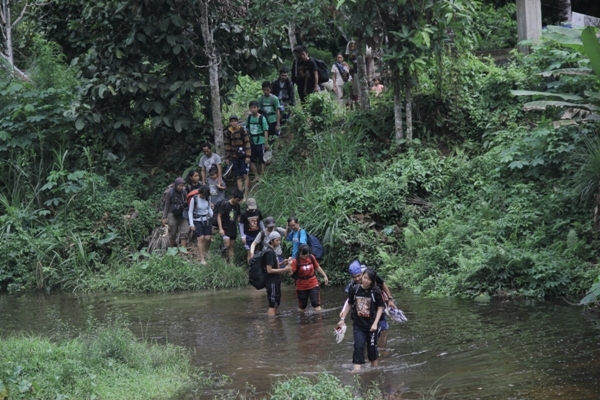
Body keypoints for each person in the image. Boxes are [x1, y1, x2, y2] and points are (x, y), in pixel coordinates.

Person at [340, 260, 397, 350]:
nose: (358, 279)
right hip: (363, 312)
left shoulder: (371, 276)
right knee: (366, 333)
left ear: (362, 273)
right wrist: (343, 312)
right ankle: (368, 352)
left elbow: (382, 284)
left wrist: (390, 299)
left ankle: (382, 351)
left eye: (359, 276)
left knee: (383, 329)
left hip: (376, 307)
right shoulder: (352, 285)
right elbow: (349, 301)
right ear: (351, 277)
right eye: (354, 277)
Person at [337, 268, 385, 372]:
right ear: (362, 276)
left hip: (372, 325)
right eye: (365, 277)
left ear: (372, 281)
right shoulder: (355, 289)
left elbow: (380, 307)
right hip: (358, 325)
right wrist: (342, 318)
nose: (366, 280)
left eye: (369, 279)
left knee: (372, 349)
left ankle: (375, 371)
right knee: (358, 347)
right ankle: (356, 372)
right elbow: (349, 303)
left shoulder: (375, 291)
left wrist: (375, 324)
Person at [289, 244, 329, 312]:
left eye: (306, 254)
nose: (304, 256)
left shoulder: (311, 257)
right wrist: (289, 265)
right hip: (301, 286)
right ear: (299, 253)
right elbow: (290, 274)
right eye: (303, 255)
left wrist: (325, 276)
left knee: (316, 304)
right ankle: (302, 321)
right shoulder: (296, 261)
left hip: (313, 283)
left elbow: (317, 267)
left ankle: (319, 321)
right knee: (302, 306)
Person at [263, 231, 292, 317]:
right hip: (271, 282)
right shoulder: (269, 252)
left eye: (279, 240)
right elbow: (269, 270)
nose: (279, 242)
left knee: (276, 303)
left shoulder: (272, 251)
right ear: (271, 241)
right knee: (272, 305)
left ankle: (276, 324)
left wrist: (282, 263)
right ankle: (272, 326)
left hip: (275, 281)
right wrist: (284, 269)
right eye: (277, 240)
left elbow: (274, 265)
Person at [223, 115, 251, 200]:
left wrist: (248, 156)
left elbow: (247, 143)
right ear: (230, 123)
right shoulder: (228, 132)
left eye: (235, 121)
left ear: (237, 122)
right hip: (234, 157)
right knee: (238, 176)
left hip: (243, 156)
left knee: (245, 174)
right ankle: (240, 195)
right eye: (232, 121)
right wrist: (227, 157)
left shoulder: (242, 130)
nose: (233, 123)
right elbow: (227, 145)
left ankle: (246, 194)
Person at [216, 189, 243, 262]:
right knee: (227, 245)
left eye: (239, 200)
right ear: (233, 197)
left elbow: (238, 216)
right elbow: (219, 216)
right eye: (237, 200)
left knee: (232, 246)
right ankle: (223, 259)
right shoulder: (225, 204)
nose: (238, 202)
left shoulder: (237, 206)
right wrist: (220, 228)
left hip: (233, 228)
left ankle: (231, 263)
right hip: (225, 228)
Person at [188, 185, 213, 264]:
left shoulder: (207, 198)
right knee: (201, 238)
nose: (204, 196)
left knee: (208, 238)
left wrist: (212, 214)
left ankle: (206, 252)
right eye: (203, 195)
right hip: (197, 220)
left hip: (206, 219)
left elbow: (208, 207)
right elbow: (190, 211)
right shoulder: (194, 199)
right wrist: (191, 224)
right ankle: (202, 258)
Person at [162, 177, 189, 248]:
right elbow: (166, 205)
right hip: (172, 214)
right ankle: (171, 248)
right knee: (173, 232)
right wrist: (164, 217)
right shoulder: (169, 192)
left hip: (182, 213)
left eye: (182, 186)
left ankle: (183, 249)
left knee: (185, 231)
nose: (181, 187)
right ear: (176, 185)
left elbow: (186, 201)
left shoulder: (184, 191)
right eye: (179, 186)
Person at [246, 101, 269, 181]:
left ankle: (262, 175)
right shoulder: (249, 118)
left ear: (258, 108)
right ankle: (256, 176)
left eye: (254, 107)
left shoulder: (262, 118)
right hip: (252, 141)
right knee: (251, 160)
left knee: (263, 159)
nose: (253, 109)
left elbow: (265, 130)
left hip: (260, 141)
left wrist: (266, 142)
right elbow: (247, 129)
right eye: (251, 108)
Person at [239, 198, 265, 262]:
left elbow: (260, 221)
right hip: (248, 235)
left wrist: (264, 230)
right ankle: (250, 267)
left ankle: (257, 266)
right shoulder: (244, 214)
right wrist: (242, 236)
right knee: (250, 252)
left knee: (257, 251)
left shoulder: (258, 211)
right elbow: (241, 225)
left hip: (257, 234)